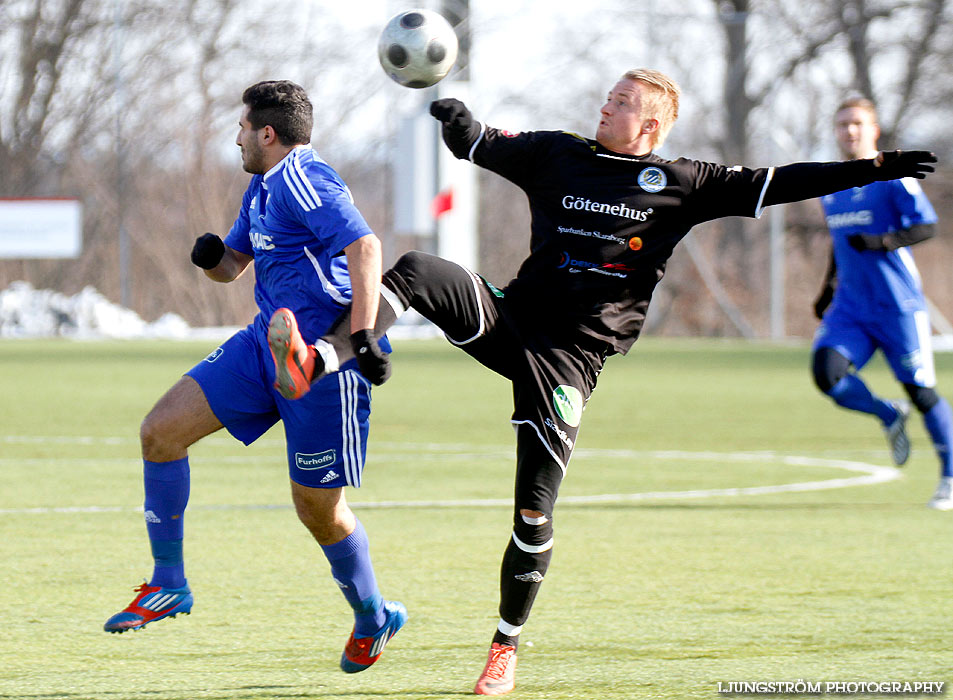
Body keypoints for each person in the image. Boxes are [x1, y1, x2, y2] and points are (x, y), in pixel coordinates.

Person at [266, 69, 937, 695]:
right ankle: (324, 358)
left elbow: (783, 178)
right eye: (608, 97)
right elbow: (476, 143)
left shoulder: (685, 180)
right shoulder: (557, 153)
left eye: (619, 103)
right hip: (510, 319)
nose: (604, 106)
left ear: (648, 126)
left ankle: (504, 645)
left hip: (568, 361)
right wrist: (453, 115)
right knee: (417, 269)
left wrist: (872, 167)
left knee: (533, 511)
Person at [103, 80, 406, 674]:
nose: (235, 136)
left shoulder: (305, 178)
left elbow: (366, 248)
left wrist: (363, 337)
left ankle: (373, 616)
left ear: (268, 134)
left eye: (242, 127)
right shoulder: (263, 187)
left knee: (317, 510)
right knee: (160, 431)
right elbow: (236, 267)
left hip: (322, 367)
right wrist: (211, 255)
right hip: (263, 345)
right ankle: (170, 584)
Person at [811, 96, 952, 510]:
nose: (849, 131)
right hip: (852, 309)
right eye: (841, 125)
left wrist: (883, 242)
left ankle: (949, 478)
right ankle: (889, 415)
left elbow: (926, 226)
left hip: (898, 307)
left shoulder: (894, 179)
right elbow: (841, 243)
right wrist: (827, 288)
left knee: (921, 391)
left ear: (873, 129)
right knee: (828, 374)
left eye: (856, 123)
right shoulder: (831, 185)